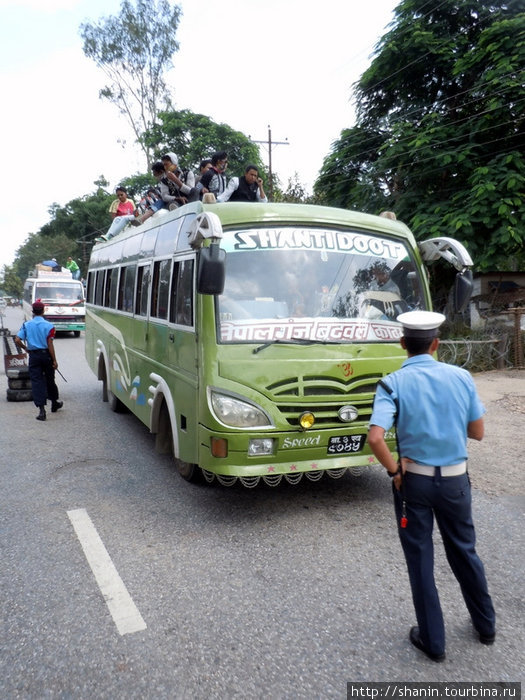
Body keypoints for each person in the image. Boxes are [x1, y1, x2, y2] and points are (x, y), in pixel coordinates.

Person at [368, 310, 496, 662]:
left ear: (402, 344)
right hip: (456, 480)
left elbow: (375, 438)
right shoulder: (461, 377)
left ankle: (433, 642)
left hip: (415, 484)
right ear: (436, 344)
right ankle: (486, 627)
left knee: (421, 560)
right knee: (464, 551)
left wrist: (395, 470)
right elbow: (478, 432)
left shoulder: (391, 383)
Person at [14, 300, 63, 421]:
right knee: (50, 380)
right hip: (46, 356)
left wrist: (26, 349)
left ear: (32, 311)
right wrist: (54, 360)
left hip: (34, 357)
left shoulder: (27, 325)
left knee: (36, 382)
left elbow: (17, 340)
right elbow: (50, 344)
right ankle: (54, 402)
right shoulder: (49, 326)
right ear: (43, 310)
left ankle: (41, 411)